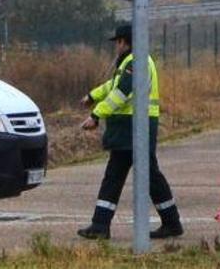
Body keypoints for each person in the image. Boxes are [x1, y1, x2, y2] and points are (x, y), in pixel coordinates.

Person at [76, 24, 183, 240]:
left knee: (128, 175)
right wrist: (92, 95)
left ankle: (101, 225)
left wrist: (96, 115)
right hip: (134, 127)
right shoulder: (132, 61)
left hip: (133, 127)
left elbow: (121, 93)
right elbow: (112, 85)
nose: (116, 46)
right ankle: (102, 224)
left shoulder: (136, 61)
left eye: (117, 42)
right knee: (133, 175)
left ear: (124, 41)